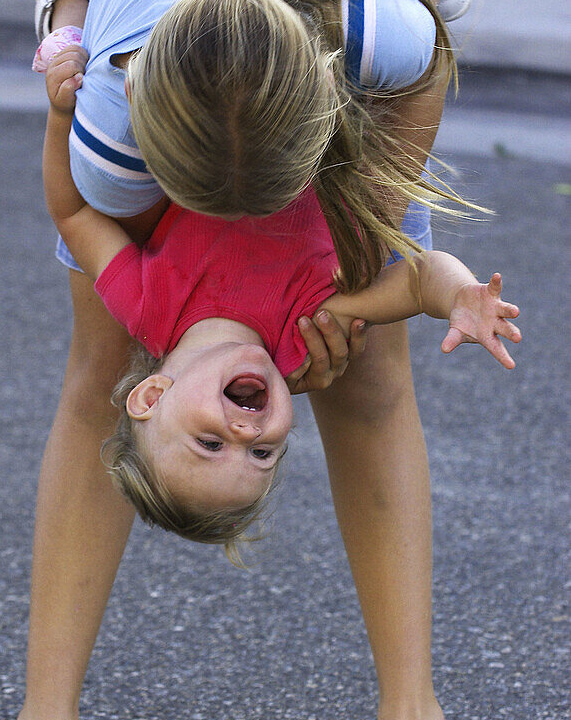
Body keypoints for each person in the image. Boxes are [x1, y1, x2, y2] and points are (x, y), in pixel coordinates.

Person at [0, 0, 486, 720]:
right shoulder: (115, 142)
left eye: (217, 438)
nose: (250, 428)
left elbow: (418, 76)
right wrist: (349, 289)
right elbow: (81, 205)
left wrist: (366, 258)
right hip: (152, 4)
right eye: (257, 446)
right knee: (95, 371)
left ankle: (413, 715)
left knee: (371, 377)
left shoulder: (380, 38)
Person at [41, 42, 519, 549]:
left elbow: (73, 215)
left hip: (235, 75)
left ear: (152, 396)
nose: (246, 437)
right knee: (415, 45)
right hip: (340, 98)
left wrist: (58, 114)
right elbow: (418, 281)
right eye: (263, 456)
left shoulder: (143, 304)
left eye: (210, 443)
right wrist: (460, 296)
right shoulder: (305, 333)